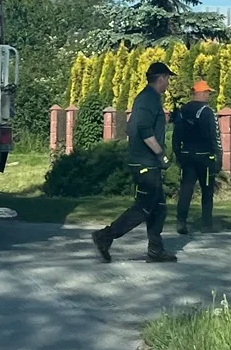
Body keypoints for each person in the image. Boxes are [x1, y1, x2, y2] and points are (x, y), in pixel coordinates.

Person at [92, 62, 178, 263]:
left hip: (143, 161)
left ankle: (156, 250)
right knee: (145, 207)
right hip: (145, 163)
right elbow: (142, 129)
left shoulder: (146, 98)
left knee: (159, 207)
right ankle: (105, 236)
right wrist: (160, 154)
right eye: (168, 78)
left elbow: (130, 128)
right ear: (161, 77)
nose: (168, 83)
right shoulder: (149, 99)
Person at [172, 80, 222, 234]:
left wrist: (178, 153)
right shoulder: (207, 112)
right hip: (204, 157)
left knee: (186, 189)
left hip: (186, 155)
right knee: (207, 190)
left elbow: (176, 135)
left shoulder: (182, 111)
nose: (208, 95)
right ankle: (206, 225)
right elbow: (215, 136)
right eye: (207, 92)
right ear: (200, 93)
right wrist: (219, 155)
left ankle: (181, 221)